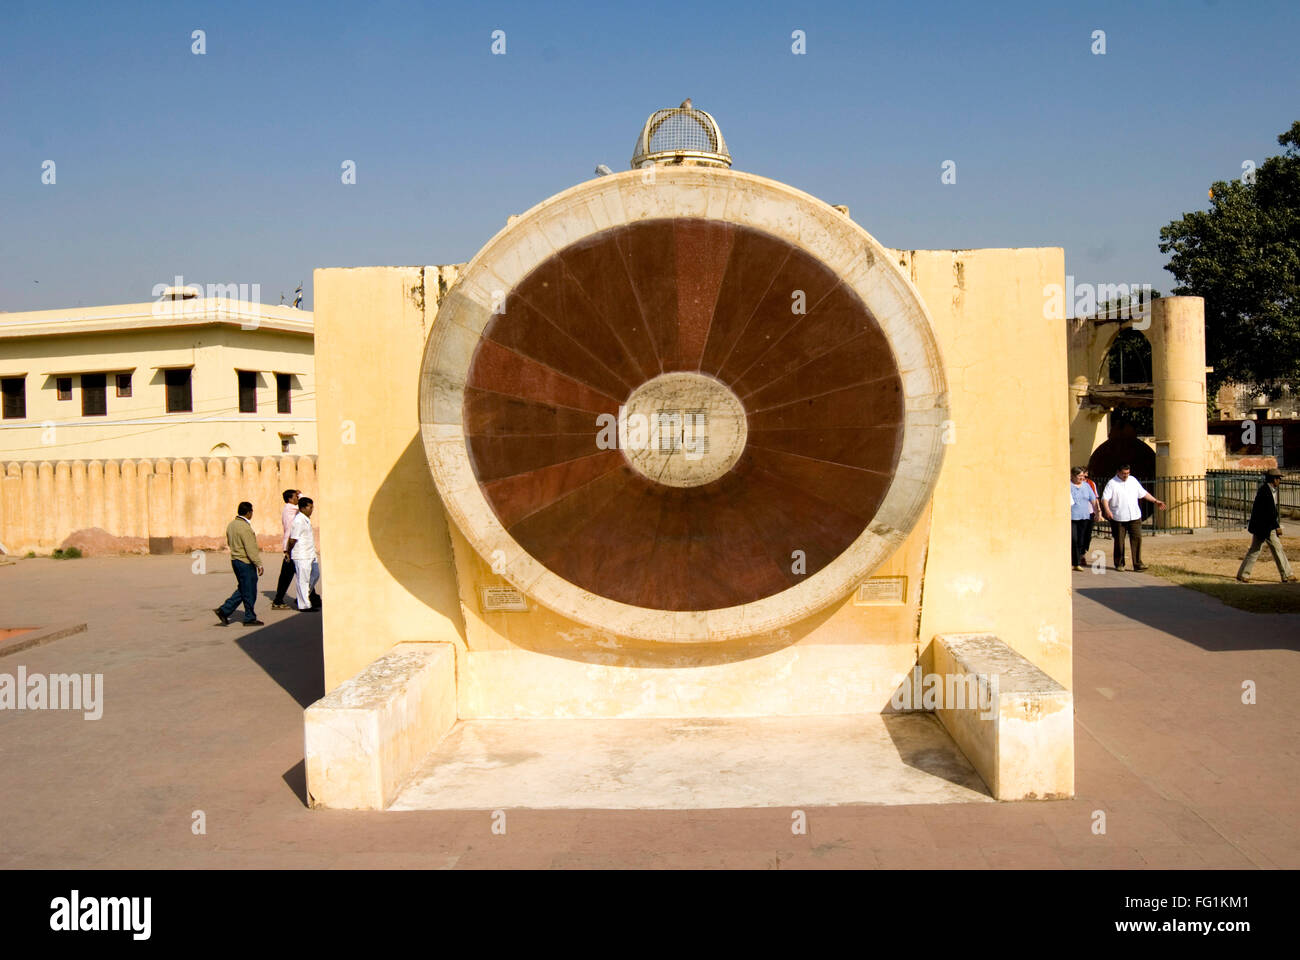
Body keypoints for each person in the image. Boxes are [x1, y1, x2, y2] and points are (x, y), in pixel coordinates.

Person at [1100, 464, 1166, 571]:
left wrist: (1155, 501)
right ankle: (1120, 563)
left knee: (1137, 539)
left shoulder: (1133, 480)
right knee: (1119, 541)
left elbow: (1143, 493)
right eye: (1123, 473)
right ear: (1118, 472)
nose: (1126, 475)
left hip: (1134, 516)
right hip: (1119, 517)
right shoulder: (1112, 483)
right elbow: (1105, 499)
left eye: (1127, 473)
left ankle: (1138, 563)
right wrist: (1107, 510)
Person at [1236, 468, 1295, 583]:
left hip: (1262, 526)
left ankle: (1243, 574)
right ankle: (1287, 574)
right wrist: (1277, 526)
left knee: (1256, 550)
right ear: (1273, 479)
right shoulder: (1265, 491)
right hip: (1265, 527)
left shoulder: (1267, 490)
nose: (1279, 481)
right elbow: (1270, 513)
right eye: (1278, 478)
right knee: (1276, 549)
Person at [213, 501, 264, 626]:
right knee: (249, 591)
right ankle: (249, 617)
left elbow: (230, 542)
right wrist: (259, 564)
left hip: (235, 560)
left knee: (243, 588)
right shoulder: (245, 528)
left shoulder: (231, 525)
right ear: (248, 513)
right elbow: (250, 549)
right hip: (245, 562)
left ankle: (224, 610)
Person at [285, 497, 321, 612]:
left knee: (315, 575)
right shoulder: (298, 521)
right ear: (303, 508)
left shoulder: (305, 519)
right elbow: (292, 539)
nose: (312, 509)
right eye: (310, 507)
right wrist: (288, 552)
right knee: (303, 580)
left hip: (310, 553)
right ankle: (304, 605)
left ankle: (302, 597)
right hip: (301, 555)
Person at [271, 489, 300, 609]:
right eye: (295, 497)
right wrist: (301, 494)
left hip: (292, 546)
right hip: (290, 546)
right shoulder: (289, 507)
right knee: (287, 575)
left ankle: (308, 597)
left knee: (302, 573)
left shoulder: (289, 509)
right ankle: (278, 601)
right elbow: (305, 503)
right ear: (289, 499)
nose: (297, 498)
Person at [1070, 467, 1099, 570]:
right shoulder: (1068, 486)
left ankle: (1077, 562)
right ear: (1073, 476)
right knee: (1073, 539)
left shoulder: (1086, 486)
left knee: (1081, 540)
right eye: (1079, 476)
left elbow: (1093, 499)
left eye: (1083, 476)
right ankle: (1073, 561)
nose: (1082, 478)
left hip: (1084, 517)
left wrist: (1097, 512)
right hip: (1072, 517)